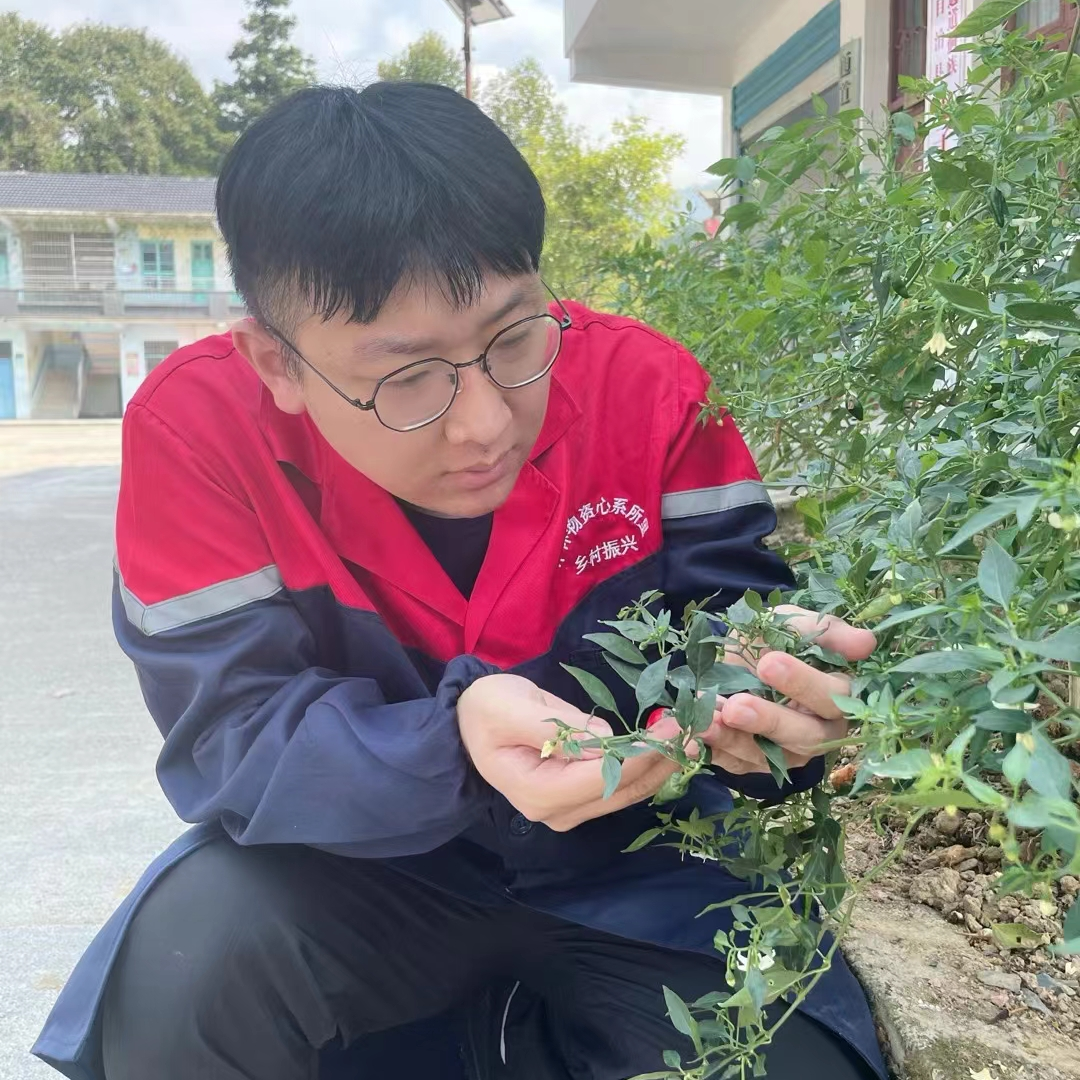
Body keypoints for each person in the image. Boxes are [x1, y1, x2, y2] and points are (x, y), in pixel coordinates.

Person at [33, 82, 886, 1080]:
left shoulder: (649, 390)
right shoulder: (199, 432)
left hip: (649, 862)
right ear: (277, 363)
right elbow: (233, 734)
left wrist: (779, 712)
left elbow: (738, 631)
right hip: (356, 871)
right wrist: (453, 746)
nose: (483, 423)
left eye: (513, 339)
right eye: (407, 377)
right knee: (190, 968)